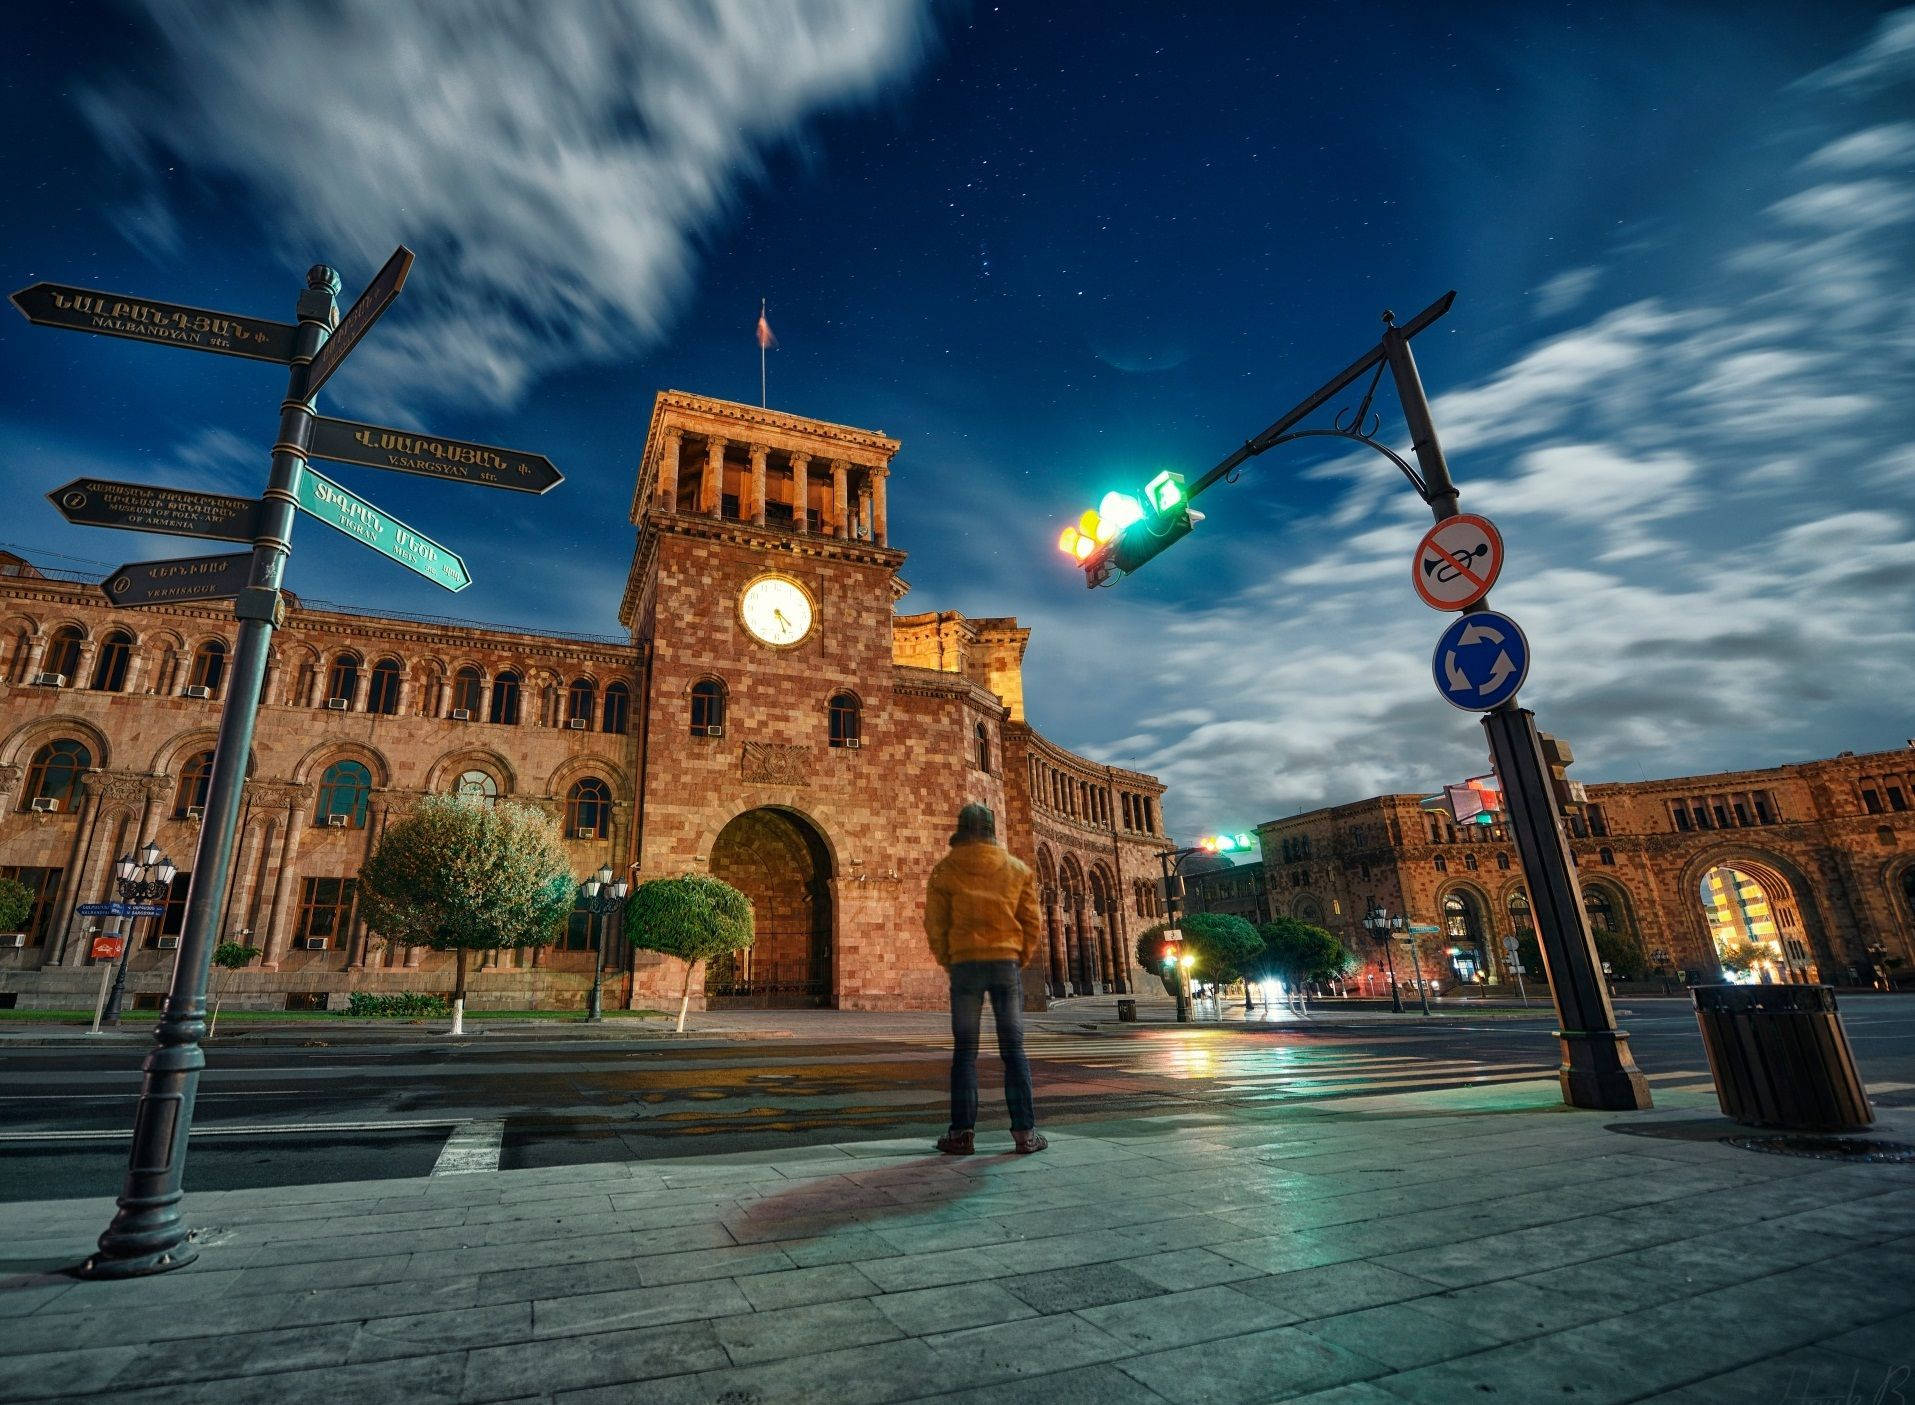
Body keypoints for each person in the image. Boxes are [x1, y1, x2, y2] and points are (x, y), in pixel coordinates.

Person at [923, 802, 1046, 1155]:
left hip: (965, 966)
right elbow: (1032, 923)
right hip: (1005, 963)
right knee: (1014, 1050)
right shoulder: (1016, 869)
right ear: (992, 831)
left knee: (964, 1052)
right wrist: (1016, 958)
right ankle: (1024, 1135)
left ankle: (961, 1134)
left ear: (962, 831)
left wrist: (950, 959)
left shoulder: (945, 870)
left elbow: (935, 924)